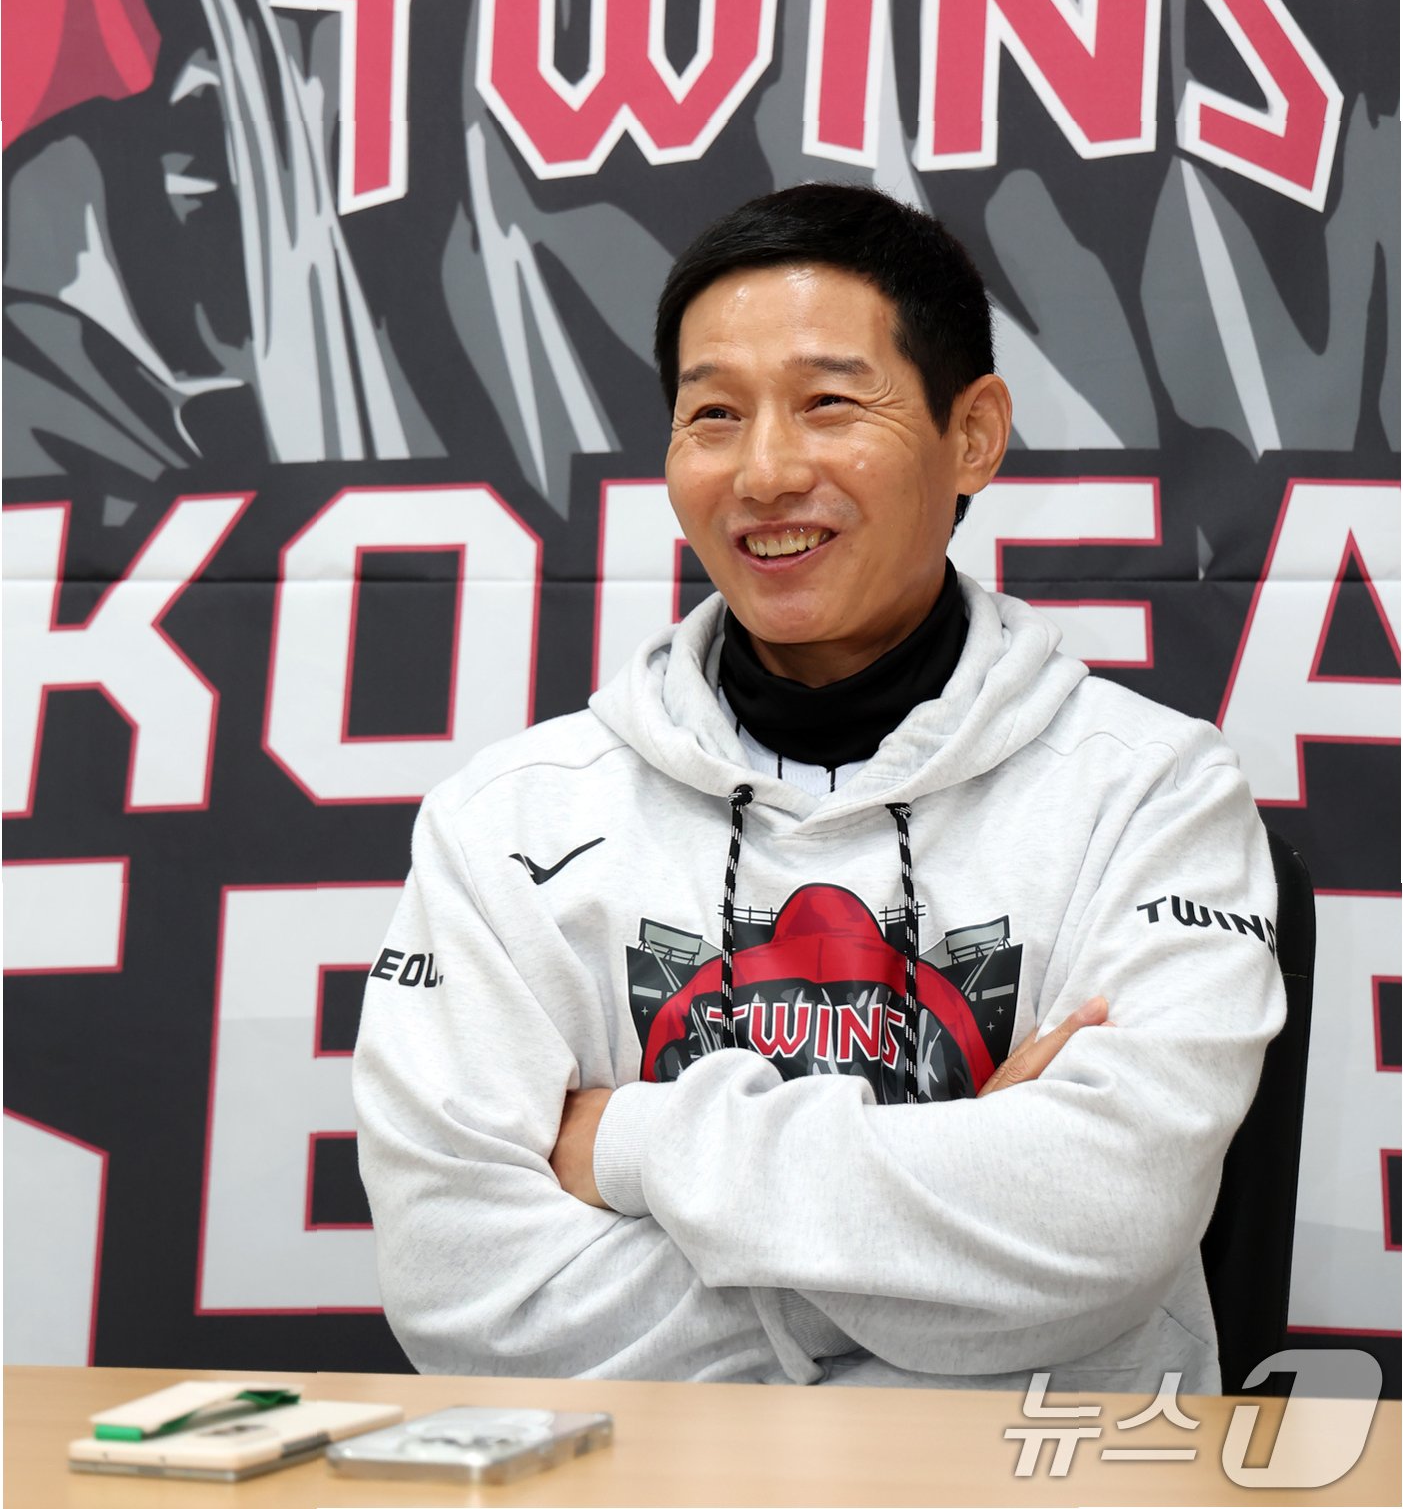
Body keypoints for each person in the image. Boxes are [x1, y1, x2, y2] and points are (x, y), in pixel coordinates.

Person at [353, 182, 1285, 1393]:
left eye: (828, 403)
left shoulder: (1150, 791)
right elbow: (468, 1294)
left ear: (972, 434)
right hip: (648, 1479)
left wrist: (627, 1140)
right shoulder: (510, 821)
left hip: (1032, 1474)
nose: (764, 471)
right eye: (713, 414)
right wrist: (958, 1208)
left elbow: (1098, 1223)